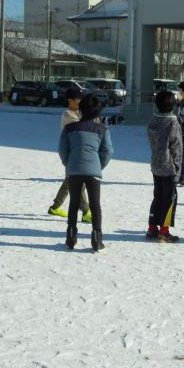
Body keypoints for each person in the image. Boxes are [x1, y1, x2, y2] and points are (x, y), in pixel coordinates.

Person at [59, 95, 113, 251]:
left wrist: (68, 163)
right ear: (98, 113)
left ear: (81, 110)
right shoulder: (103, 130)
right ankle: (97, 238)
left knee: (74, 203)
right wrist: (98, 165)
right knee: (95, 205)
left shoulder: (69, 129)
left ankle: (70, 237)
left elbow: (62, 149)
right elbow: (108, 151)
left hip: (73, 170)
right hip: (93, 171)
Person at [48, 87, 91, 222]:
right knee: (78, 181)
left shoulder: (79, 112)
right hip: (71, 152)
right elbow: (81, 127)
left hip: (78, 152)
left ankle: (55, 207)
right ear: (70, 100)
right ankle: (86, 211)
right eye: (77, 99)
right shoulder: (67, 115)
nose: (80, 101)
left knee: (70, 181)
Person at [146, 89, 183, 242]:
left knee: (158, 196)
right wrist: (178, 170)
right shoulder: (172, 122)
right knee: (169, 199)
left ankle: (152, 228)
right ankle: (164, 231)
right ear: (173, 106)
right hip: (169, 167)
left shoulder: (153, 121)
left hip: (156, 164)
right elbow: (176, 147)